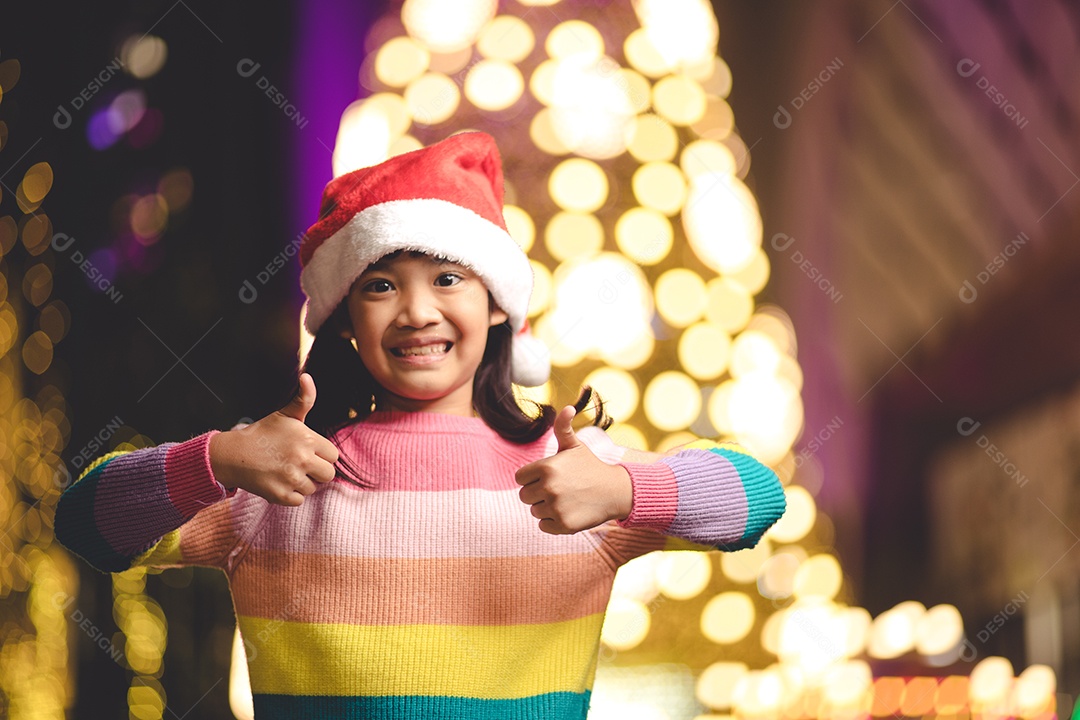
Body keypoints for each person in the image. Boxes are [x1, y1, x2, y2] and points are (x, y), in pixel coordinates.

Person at [55, 131, 787, 719]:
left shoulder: (572, 474)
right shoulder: (276, 475)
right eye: (380, 285)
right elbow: (87, 524)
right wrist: (214, 458)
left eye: (447, 278)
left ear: (498, 304)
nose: (416, 312)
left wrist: (629, 488)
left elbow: (759, 500)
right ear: (344, 322)